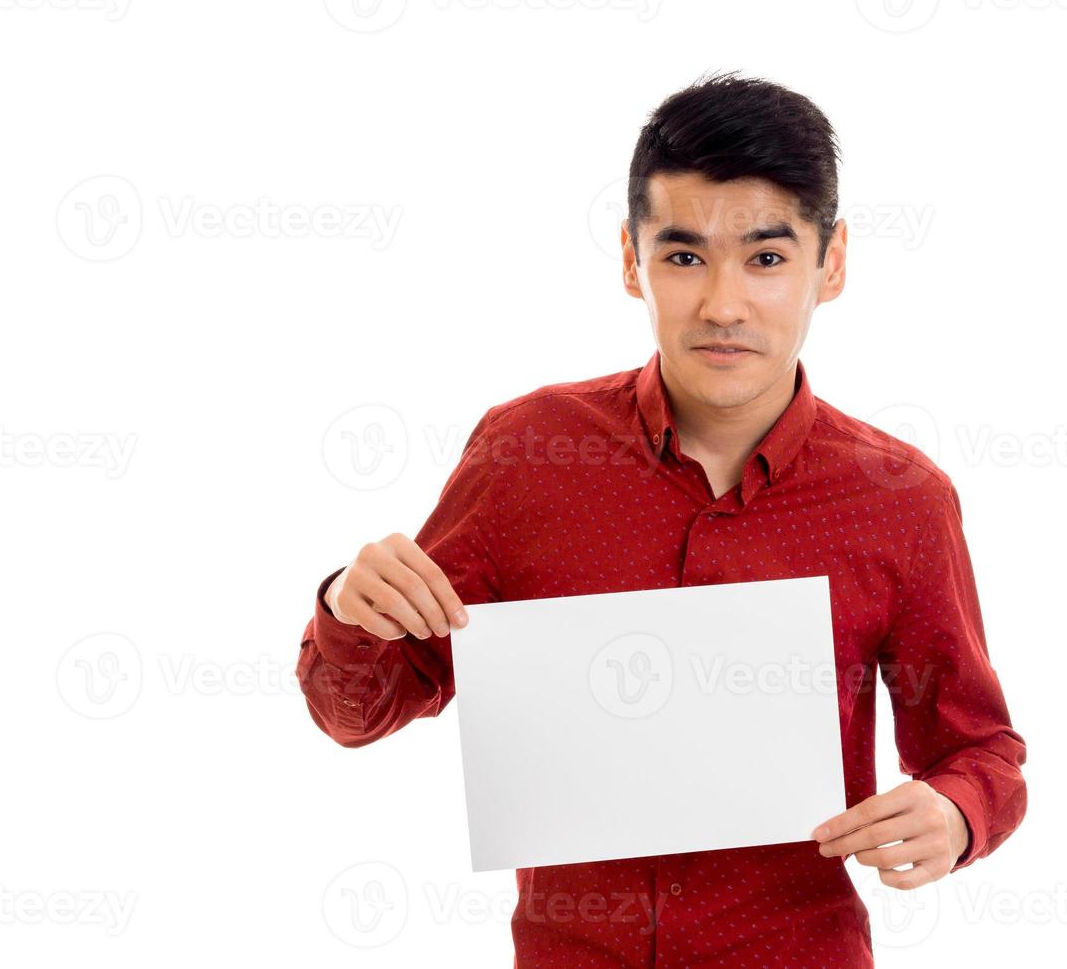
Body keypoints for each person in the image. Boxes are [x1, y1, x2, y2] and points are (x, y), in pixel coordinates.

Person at [296, 70, 1027, 967]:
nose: (723, 304)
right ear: (631, 259)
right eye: (684, 257)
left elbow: (981, 747)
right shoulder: (525, 453)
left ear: (829, 264)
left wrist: (957, 812)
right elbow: (358, 712)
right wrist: (350, 613)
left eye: (767, 258)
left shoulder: (902, 501)